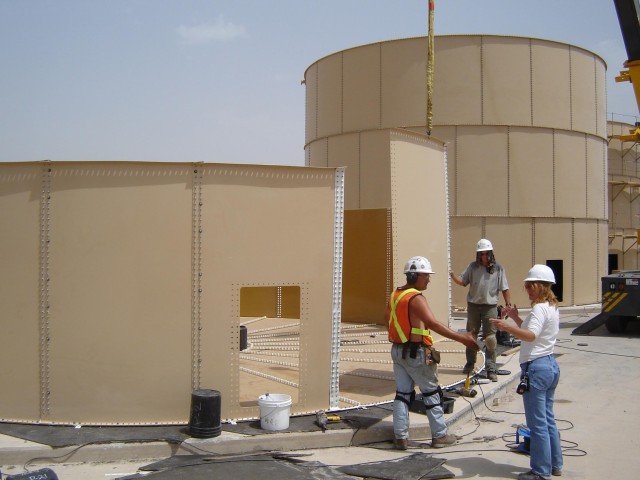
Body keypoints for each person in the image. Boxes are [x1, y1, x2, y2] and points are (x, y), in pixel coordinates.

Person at [386, 255, 480, 450]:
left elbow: (391, 320)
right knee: (431, 393)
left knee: (402, 395)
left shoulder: (396, 294)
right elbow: (433, 323)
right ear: (417, 276)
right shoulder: (416, 298)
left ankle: (401, 438)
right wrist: (463, 338)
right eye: (426, 276)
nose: (429, 279)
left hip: (398, 351)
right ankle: (439, 435)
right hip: (415, 353)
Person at [490, 264, 563, 480]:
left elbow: (530, 336)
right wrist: (515, 318)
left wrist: (506, 326)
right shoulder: (551, 307)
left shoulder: (540, 308)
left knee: (537, 423)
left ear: (542, 286)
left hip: (537, 368)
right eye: (527, 286)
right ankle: (555, 465)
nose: (529, 290)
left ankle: (541, 472)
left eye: (532, 286)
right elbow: (535, 332)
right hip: (549, 365)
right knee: (548, 419)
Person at [450, 238, 511, 381]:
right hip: (473, 306)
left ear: (490, 254)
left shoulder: (498, 268)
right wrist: (452, 275)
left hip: (490, 306)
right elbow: (462, 281)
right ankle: (470, 363)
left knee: (490, 338)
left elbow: (505, 288)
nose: (483, 256)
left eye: (486, 254)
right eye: (481, 254)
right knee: (471, 336)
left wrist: (508, 305)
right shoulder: (473, 267)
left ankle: (491, 368)